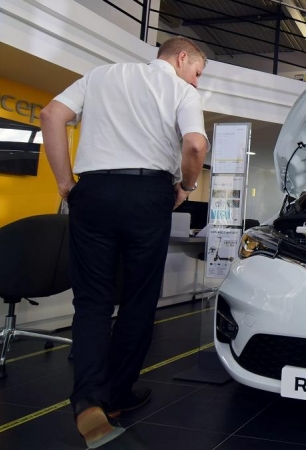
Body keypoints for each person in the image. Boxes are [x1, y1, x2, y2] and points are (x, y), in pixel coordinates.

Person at [40, 36, 208, 448]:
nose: (197, 82)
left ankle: (87, 401)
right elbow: (195, 144)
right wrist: (186, 185)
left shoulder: (100, 75)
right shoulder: (181, 90)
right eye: (198, 72)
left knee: (93, 301)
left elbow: (50, 115)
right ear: (182, 58)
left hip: (92, 192)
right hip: (148, 195)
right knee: (137, 299)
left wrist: (66, 184)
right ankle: (117, 394)